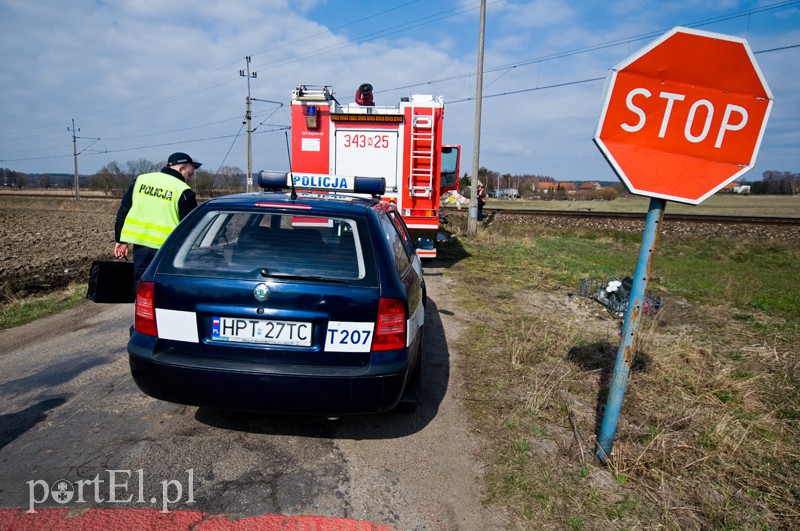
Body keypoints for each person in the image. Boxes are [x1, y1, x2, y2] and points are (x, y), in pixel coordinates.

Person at [114, 152, 200, 293]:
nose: (189, 180)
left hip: (141, 247)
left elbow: (123, 211)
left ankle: (141, 313)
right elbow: (191, 228)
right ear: (180, 169)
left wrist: (120, 240)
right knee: (166, 290)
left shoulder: (140, 181)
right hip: (169, 250)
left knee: (142, 288)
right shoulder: (183, 191)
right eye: (190, 175)